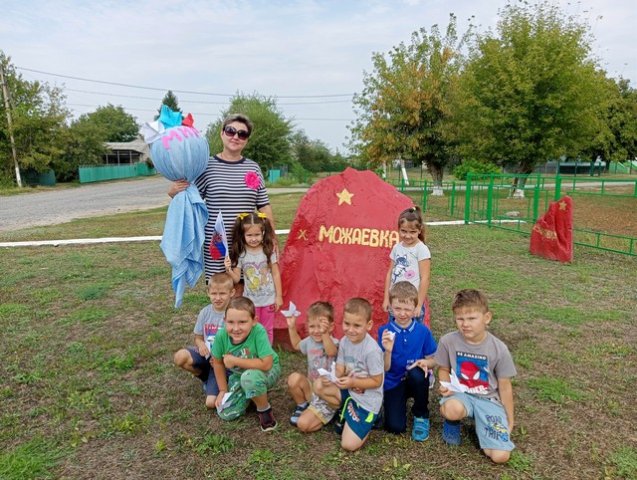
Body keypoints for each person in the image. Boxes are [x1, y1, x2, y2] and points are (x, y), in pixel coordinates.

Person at [168, 114, 276, 281]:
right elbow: (190, 200)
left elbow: (263, 205)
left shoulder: (253, 168)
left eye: (242, 134)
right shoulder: (206, 166)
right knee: (220, 289)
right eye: (230, 131)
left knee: (244, 291)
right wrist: (174, 192)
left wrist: (272, 238)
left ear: (247, 139)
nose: (235, 137)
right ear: (222, 133)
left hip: (247, 241)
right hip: (217, 242)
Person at [436, 289, 517, 464]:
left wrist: (509, 421)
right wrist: (445, 384)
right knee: (452, 409)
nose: (465, 324)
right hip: (460, 395)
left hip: (488, 400)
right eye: (460, 319)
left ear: (486, 318)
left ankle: (483, 422)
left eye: (472, 318)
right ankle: (452, 423)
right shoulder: (447, 341)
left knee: (500, 456)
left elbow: (505, 386)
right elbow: (443, 368)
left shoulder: (499, 349)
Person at [314, 298, 384, 452]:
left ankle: (374, 418)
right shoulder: (345, 341)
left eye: (357, 325)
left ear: (369, 325)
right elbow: (340, 367)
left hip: (367, 400)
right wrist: (332, 377)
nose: (350, 329)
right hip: (350, 391)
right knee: (319, 385)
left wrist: (353, 382)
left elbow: (377, 381)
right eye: (347, 324)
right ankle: (345, 411)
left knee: (348, 445)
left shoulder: (372, 350)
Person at [378, 281, 437, 441]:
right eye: (397, 308)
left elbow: (433, 360)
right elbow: (385, 368)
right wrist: (388, 351)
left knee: (418, 374)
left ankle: (421, 414)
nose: (402, 313)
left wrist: (426, 363)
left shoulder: (423, 331)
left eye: (407, 309)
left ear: (415, 308)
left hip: (415, 379)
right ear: (390, 307)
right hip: (393, 381)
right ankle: (394, 404)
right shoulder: (384, 332)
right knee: (395, 427)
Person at [211, 297, 281, 432]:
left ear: (254, 321)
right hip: (240, 375)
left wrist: (235, 361)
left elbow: (266, 364)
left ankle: (264, 409)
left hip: (268, 370)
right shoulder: (221, 336)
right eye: (231, 322)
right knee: (225, 412)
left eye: (242, 322)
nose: (236, 328)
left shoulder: (259, 331)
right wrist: (223, 391)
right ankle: (252, 395)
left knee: (249, 378)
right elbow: (218, 363)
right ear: (224, 321)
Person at [173, 273, 235, 409]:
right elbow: (198, 337)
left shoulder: (234, 314)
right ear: (208, 293)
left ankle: (217, 381)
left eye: (222, 294)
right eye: (214, 293)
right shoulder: (205, 313)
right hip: (206, 354)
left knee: (211, 403)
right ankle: (205, 377)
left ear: (232, 293)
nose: (217, 298)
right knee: (180, 357)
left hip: (222, 362)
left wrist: (222, 358)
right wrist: (201, 345)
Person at [224, 212, 282, 344]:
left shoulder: (269, 250)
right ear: (243, 235)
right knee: (251, 329)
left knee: (267, 329)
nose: (253, 238)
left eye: (257, 235)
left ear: (263, 233)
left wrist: (279, 296)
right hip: (250, 302)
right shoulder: (241, 254)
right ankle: (252, 355)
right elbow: (236, 279)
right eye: (249, 235)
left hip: (269, 300)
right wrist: (228, 269)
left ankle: (267, 355)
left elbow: (276, 273)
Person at [285, 301, 339, 431]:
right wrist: (291, 327)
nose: (316, 331)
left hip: (327, 393)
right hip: (312, 388)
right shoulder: (309, 341)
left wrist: (325, 334)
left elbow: (332, 352)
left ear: (331, 327)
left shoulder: (335, 342)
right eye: (312, 326)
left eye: (320, 327)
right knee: (294, 378)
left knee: (303, 425)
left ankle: (332, 411)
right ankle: (302, 406)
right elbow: (297, 345)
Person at [382, 206, 431, 325]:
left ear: (419, 230)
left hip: (412, 305)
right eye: (404, 231)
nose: (407, 236)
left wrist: (419, 304)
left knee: (413, 336)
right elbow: (390, 273)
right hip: (396, 302)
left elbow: (425, 278)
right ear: (398, 229)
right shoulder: (397, 247)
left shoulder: (421, 249)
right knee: (395, 333)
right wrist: (386, 298)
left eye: (412, 232)